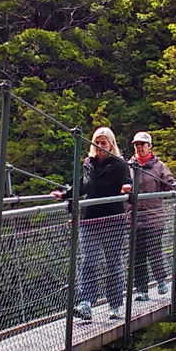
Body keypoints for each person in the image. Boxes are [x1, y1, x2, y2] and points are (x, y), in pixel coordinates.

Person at [59, 127, 132, 320]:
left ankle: (115, 305)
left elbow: (127, 182)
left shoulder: (119, 164)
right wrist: (65, 195)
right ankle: (86, 304)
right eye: (96, 142)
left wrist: (127, 188)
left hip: (112, 219)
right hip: (90, 218)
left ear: (111, 144)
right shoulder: (88, 163)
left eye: (103, 143)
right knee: (88, 262)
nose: (99, 146)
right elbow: (83, 185)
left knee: (113, 262)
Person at [127, 131, 176, 300]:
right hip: (134, 217)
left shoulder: (159, 166)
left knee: (154, 249)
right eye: (136, 144)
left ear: (149, 146)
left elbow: (169, 183)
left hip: (154, 216)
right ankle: (141, 290)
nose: (139, 147)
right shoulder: (128, 166)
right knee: (138, 254)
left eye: (142, 144)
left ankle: (160, 280)